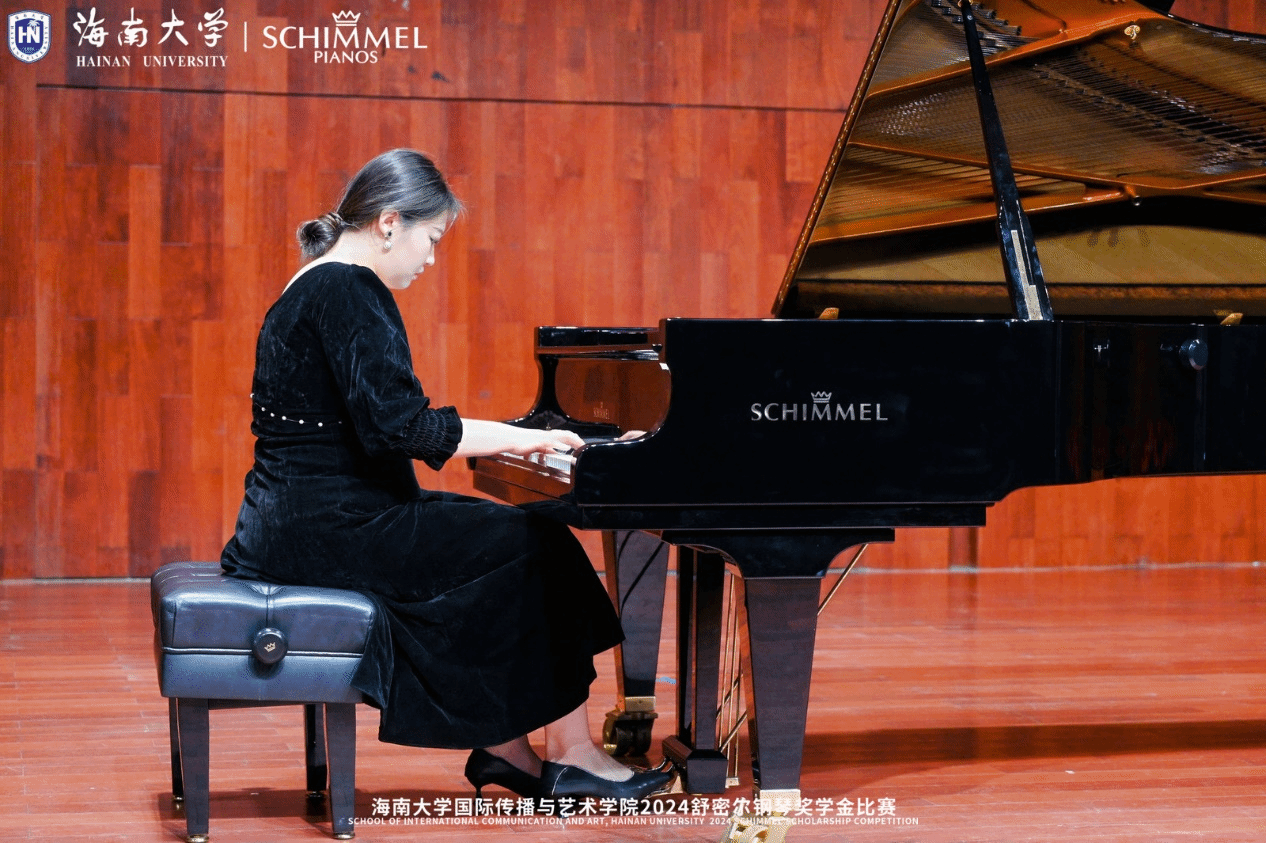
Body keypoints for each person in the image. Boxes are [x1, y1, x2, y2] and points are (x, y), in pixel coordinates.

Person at [220, 148, 670, 801]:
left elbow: (379, 425)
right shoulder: (347, 287)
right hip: (331, 529)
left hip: (299, 522)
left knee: (512, 540)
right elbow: (402, 428)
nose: (431, 258)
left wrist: (523, 437)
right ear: (389, 222)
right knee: (535, 545)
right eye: (431, 239)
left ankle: (506, 747)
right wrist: (529, 437)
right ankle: (570, 755)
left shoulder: (313, 281)